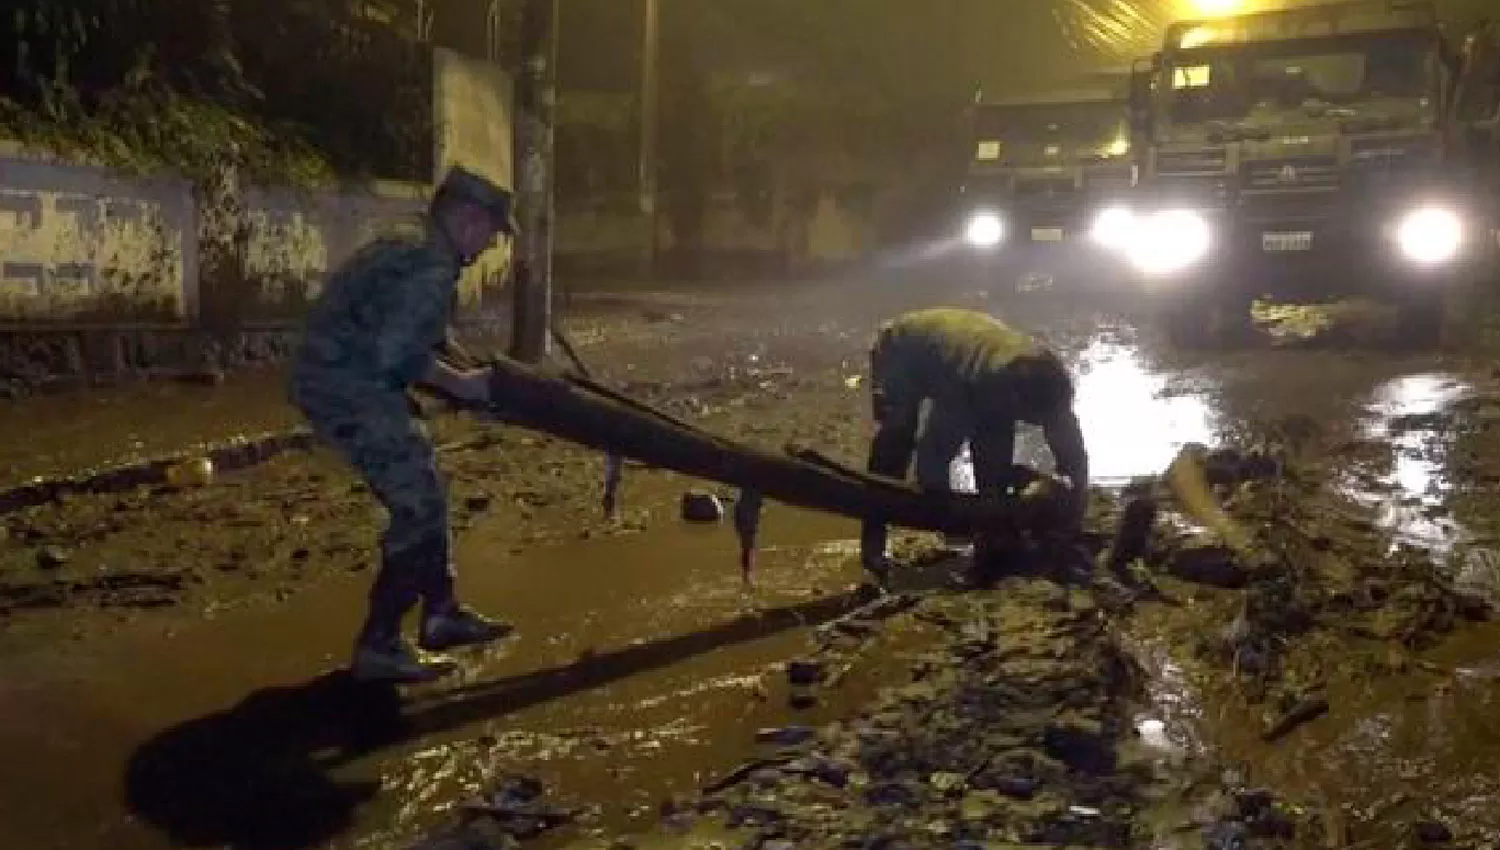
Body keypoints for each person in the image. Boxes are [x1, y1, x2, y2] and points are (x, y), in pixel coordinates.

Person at [290, 166, 519, 683]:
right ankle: (380, 644)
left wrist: (473, 372)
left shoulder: (415, 240)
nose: (489, 247)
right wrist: (463, 387)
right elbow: (395, 355)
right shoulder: (431, 265)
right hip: (347, 385)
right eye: (490, 233)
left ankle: (441, 612)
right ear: (466, 219)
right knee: (419, 506)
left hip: (337, 371)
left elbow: (425, 333)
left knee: (426, 481)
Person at [861, 307, 1089, 586]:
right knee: (895, 443)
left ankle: (985, 538)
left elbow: (1071, 451)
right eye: (1032, 418)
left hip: (958, 350)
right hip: (903, 349)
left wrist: (1074, 509)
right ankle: (873, 548)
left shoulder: (1051, 385)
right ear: (1016, 400)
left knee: (994, 455)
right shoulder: (976, 383)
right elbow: (935, 456)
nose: (1040, 424)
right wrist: (949, 517)